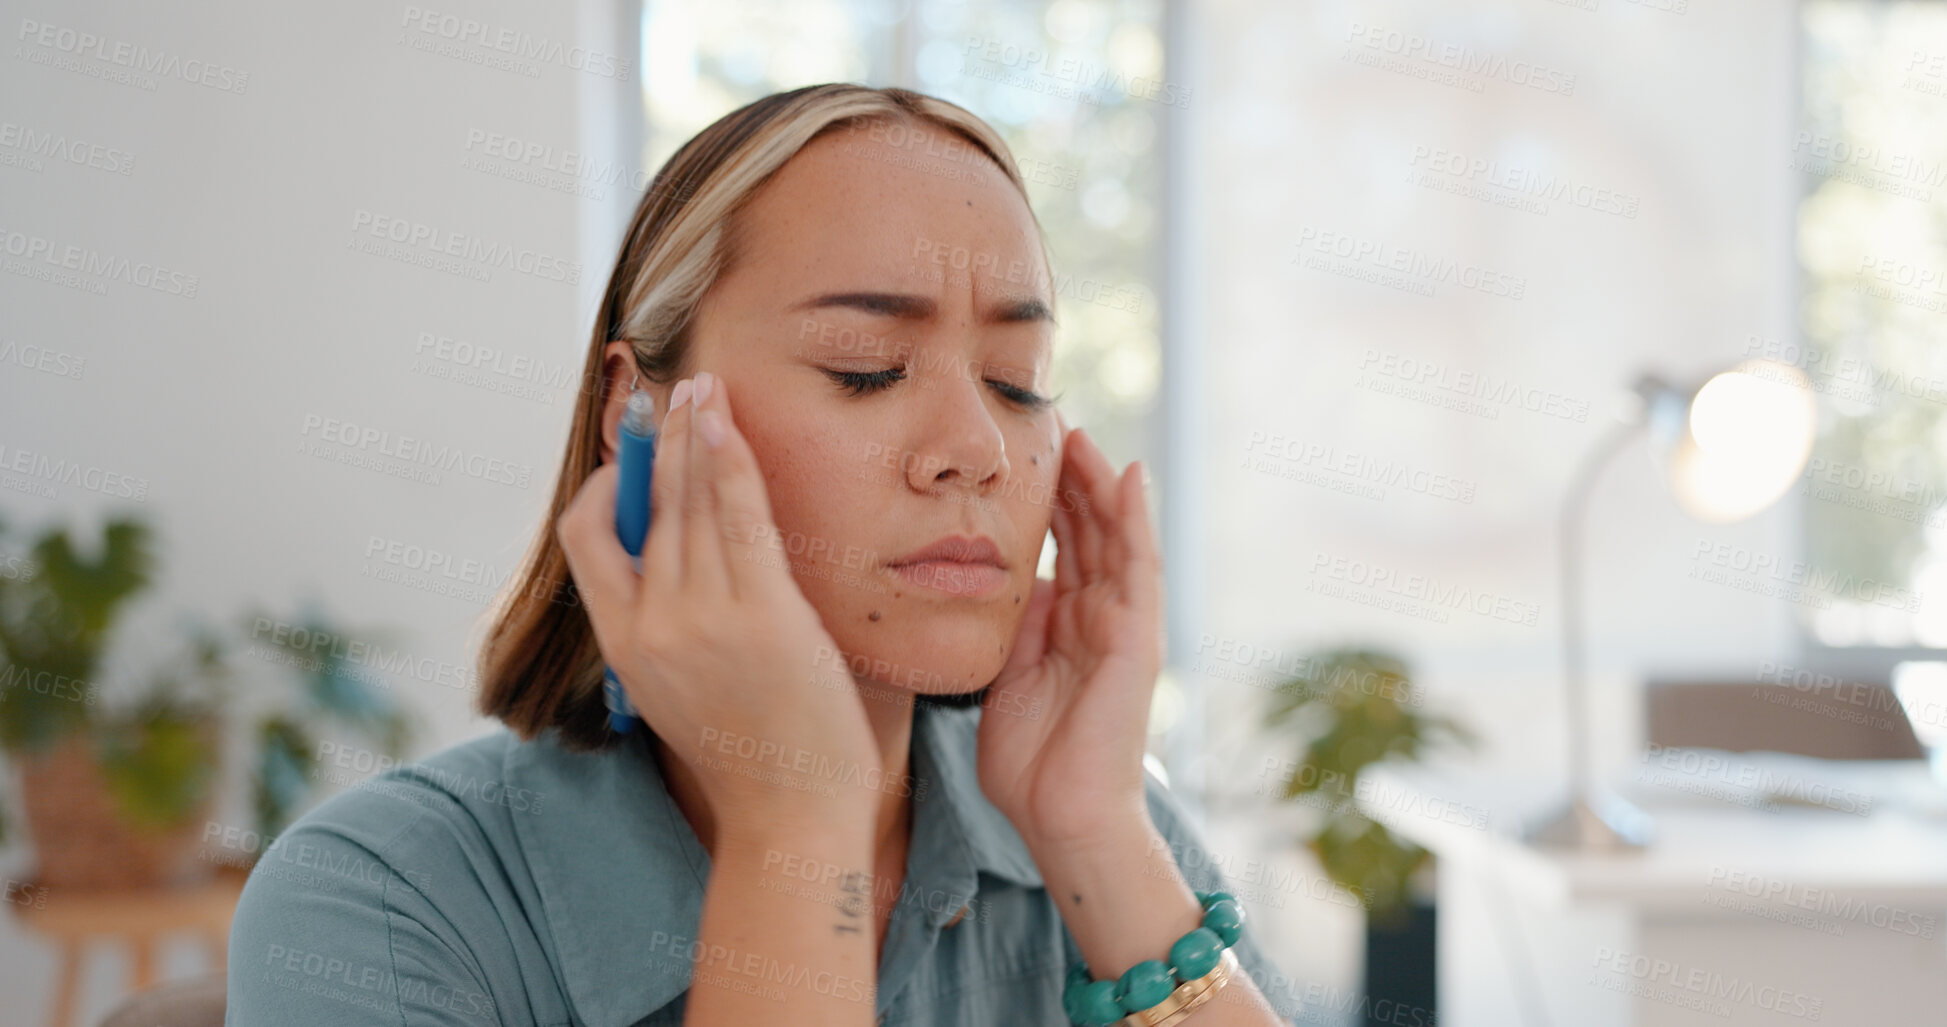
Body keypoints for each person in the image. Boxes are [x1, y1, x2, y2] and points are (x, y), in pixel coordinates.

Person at [226, 83, 1297, 1026]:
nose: (977, 449)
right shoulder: (380, 903)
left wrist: (1097, 837)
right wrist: (798, 820)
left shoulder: (1105, 822)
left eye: (1017, 379)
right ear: (633, 413)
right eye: (865, 367)